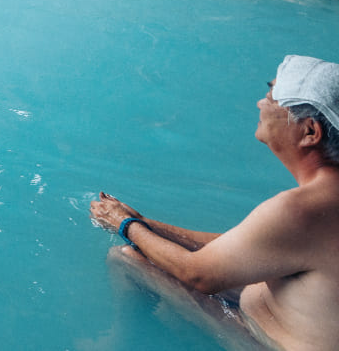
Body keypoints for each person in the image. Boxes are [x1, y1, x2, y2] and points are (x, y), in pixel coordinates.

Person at [91, 55, 339, 351]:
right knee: (143, 246)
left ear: (310, 132)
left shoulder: (301, 209)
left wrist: (127, 226)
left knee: (127, 259)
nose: (261, 103)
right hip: (274, 307)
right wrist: (146, 224)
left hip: (268, 341)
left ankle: (120, 342)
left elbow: (199, 274)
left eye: (272, 98)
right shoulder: (322, 199)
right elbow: (248, 244)